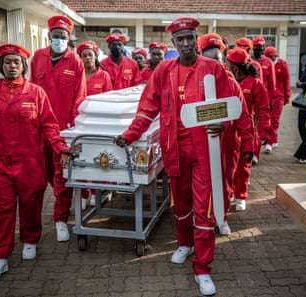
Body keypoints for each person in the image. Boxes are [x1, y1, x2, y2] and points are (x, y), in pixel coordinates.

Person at [115, 17, 238, 296]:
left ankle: (203, 269)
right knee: (181, 205)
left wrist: (224, 124)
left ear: (197, 39)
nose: (185, 43)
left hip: (205, 150)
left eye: (190, 37)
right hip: (174, 150)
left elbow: (233, 105)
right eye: (180, 39)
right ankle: (185, 243)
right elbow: (147, 108)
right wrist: (131, 133)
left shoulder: (214, 69)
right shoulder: (163, 71)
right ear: (173, 43)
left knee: (204, 209)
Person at [0, 43, 70, 279]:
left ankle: (30, 239)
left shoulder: (36, 93)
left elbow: (49, 124)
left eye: (16, 62)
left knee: (31, 205)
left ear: (23, 66)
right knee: (1, 211)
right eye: (7, 62)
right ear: (1, 65)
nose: (12, 66)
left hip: (31, 162)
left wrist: (60, 147)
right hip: (0, 163)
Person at [30, 15, 87, 242]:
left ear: (68, 38)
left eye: (64, 37)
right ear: (49, 36)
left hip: (63, 129)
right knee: (42, 174)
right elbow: (32, 90)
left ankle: (60, 219)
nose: (59, 40)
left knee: (63, 174)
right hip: (39, 128)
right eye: (56, 36)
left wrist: (74, 125)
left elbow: (80, 96)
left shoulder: (75, 62)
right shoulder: (37, 58)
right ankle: (60, 200)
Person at [198, 33, 254, 225]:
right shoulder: (191, 80)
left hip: (228, 143)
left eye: (219, 60)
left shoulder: (230, 81)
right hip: (199, 142)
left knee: (224, 183)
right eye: (210, 60)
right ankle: (201, 219)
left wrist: (249, 144)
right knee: (202, 184)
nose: (215, 65)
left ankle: (221, 219)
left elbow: (243, 115)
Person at [226, 47, 270, 212]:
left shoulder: (255, 84)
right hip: (228, 129)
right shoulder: (227, 81)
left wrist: (265, 132)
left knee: (244, 164)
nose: (225, 65)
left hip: (247, 129)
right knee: (228, 165)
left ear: (235, 66)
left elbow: (264, 110)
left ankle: (240, 195)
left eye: (228, 63)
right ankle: (229, 192)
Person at [76, 40, 113, 209]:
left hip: (98, 123)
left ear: (95, 57)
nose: (87, 59)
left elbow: (109, 101)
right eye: (83, 56)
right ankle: (84, 193)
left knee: (96, 157)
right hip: (79, 123)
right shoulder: (77, 75)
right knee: (80, 158)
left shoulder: (103, 76)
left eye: (90, 55)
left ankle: (96, 190)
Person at [264, 46, 291, 150]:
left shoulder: (282, 64)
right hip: (267, 97)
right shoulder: (265, 64)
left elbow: (287, 81)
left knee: (274, 119)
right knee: (267, 119)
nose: (270, 59)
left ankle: (270, 142)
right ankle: (273, 138)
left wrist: (287, 98)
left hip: (279, 96)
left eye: (272, 57)